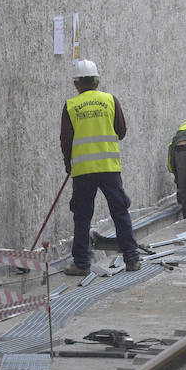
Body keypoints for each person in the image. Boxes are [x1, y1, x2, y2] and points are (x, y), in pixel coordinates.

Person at [60, 59, 141, 274]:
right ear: (97, 81)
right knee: (119, 211)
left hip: (83, 171)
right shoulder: (110, 101)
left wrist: (68, 165)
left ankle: (81, 263)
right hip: (108, 168)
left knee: (82, 216)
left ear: (76, 83)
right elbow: (121, 131)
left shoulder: (71, 106)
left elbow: (66, 140)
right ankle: (132, 258)